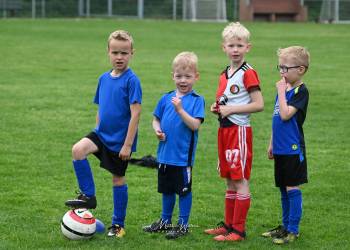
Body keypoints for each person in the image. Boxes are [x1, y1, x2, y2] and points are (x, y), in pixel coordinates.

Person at [64, 30, 142, 238]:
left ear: (131, 53)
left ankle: (118, 225)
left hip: (119, 141)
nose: (119, 57)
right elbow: (101, 107)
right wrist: (97, 129)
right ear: (108, 52)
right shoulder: (103, 79)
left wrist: (127, 145)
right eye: (115, 52)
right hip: (101, 134)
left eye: (124, 53)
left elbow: (136, 114)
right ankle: (88, 195)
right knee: (78, 149)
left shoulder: (132, 80)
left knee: (118, 179)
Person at [204, 22, 264, 242]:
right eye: (232, 45)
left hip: (239, 132)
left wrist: (231, 109)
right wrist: (217, 107)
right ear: (224, 48)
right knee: (229, 179)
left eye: (240, 45)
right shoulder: (224, 74)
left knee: (240, 180)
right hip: (224, 131)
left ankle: (238, 230)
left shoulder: (249, 73)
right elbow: (227, 100)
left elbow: (259, 104)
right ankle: (228, 225)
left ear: (248, 47)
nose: (235, 49)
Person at [143, 51, 205, 240]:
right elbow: (156, 119)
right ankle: (165, 222)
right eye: (179, 76)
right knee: (167, 190)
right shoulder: (165, 98)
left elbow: (195, 125)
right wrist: (157, 130)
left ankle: (183, 225)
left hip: (182, 158)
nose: (183, 80)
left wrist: (179, 110)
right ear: (173, 76)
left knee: (183, 192)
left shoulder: (196, 100)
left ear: (196, 77)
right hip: (164, 156)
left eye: (187, 76)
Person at [262, 46, 310, 245]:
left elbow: (285, 114)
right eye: (279, 68)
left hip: (293, 148)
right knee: (283, 188)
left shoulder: (300, 91)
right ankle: (284, 227)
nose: (281, 72)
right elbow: (277, 120)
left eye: (285, 68)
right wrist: (271, 143)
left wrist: (281, 92)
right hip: (280, 148)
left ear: (300, 69)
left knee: (292, 187)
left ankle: (293, 230)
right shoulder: (284, 90)